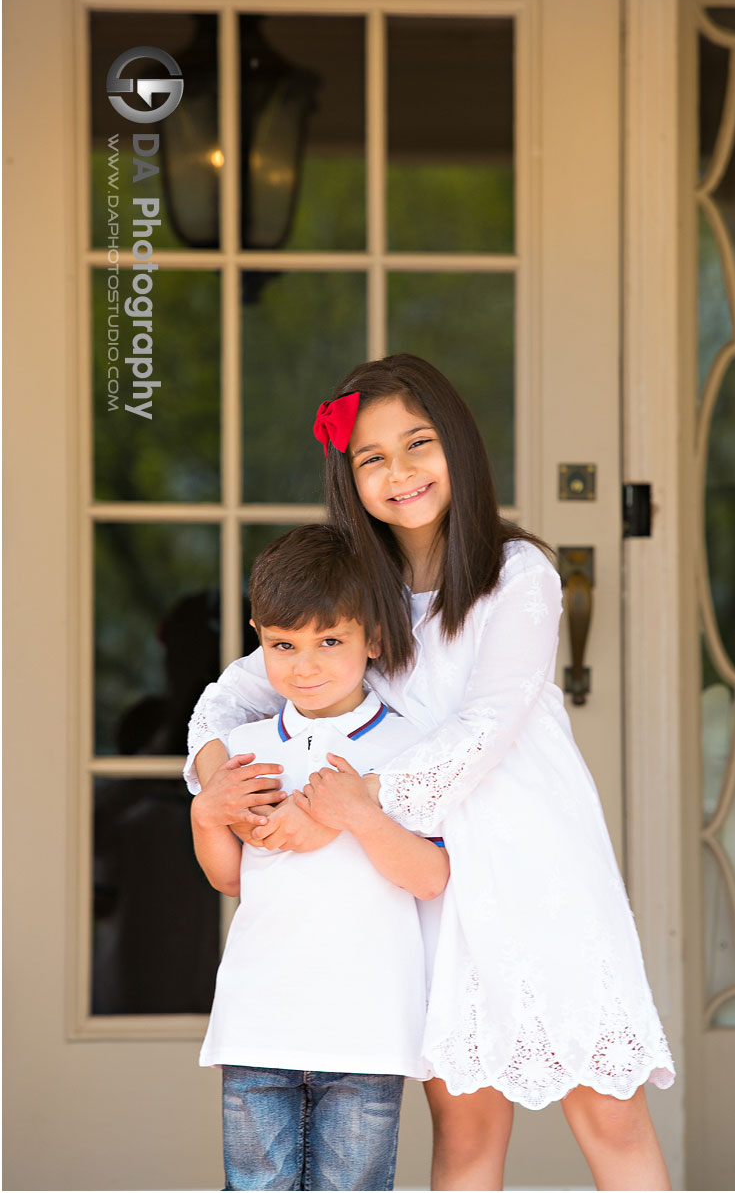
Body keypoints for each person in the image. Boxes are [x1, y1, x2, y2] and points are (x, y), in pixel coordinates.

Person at [186, 355, 675, 1192]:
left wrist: (349, 803)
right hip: (428, 876)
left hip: (532, 860)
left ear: (459, 445)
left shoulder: (516, 575)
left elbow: (487, 724)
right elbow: (225, 701)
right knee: (465, 1119)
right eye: (372, 458)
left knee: (608, 1106)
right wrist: (216, 780)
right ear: (349, 479)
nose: (400, 473)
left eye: (418, 445)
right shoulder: (354, 594)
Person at [191, 523, 449, 1192]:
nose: (304, 665)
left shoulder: (412, 750)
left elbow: (430, 876)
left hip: (366, 1026)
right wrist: (205, 812)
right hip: (259, 1020)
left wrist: (358, 815)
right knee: (255, 1185)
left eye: (329, 641)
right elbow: (229, 878)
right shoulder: (245, 748)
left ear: (375, 637)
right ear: (257, 635)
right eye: (282, 645)